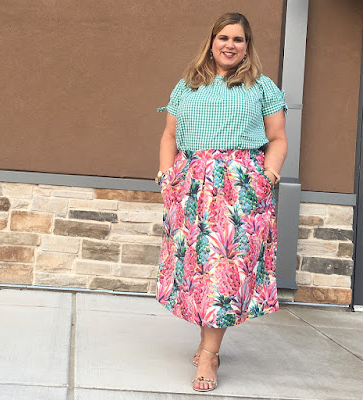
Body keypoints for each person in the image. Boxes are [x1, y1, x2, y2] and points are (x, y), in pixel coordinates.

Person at [155, 12, 288, 392]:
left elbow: (277, 138)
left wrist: (268, 177)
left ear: (247, 46)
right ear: (211, 42)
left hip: (239, 187)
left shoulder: (262, 87)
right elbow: (169, 135)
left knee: (225, 267)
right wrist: (166, 176)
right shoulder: (187, 85)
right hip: (191, 187)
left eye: (238, 39)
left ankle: (209, 354)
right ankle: (207, 343)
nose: (230, 45)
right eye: (223, 38)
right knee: (199, 267)